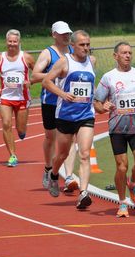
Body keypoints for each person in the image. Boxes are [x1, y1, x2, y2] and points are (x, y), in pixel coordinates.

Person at [94, 42, 135, 217]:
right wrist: (103, 106)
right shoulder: (108, 78)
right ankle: (123, 203)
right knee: (122, 167)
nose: (128, 55)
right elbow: (97, 103)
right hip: (117, 129)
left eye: (130, 52)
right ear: (116, 56)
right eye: (124, 53)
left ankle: (133, 182)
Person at [41, 30, 97, 210]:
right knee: (62, 154)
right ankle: (55, 174)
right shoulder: (65, 62)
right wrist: (63, 94)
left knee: (85, 154)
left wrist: (98, 100)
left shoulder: (92, 61)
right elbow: (46, 82)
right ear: (73, 46)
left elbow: (90, 85)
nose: (86, 48)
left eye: (88, 44)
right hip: (65, 115)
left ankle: (83, 193)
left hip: (86, 115)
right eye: (82, 45)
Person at [31, 21, 79, 192]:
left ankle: (69, 177)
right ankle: (48, 168)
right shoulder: (48, 53)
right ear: (54, 35)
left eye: (68, 33)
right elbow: (34, 76)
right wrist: (57, 73)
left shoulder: (75, 51)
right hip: (50, 102)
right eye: (62, 33)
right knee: (51, 138)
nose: (66, 36)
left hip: (68, 102)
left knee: (70, 139)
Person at [0, 29, 35, 167]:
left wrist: (30, 81)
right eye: (10, 41)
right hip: (6, 97)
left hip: (22, 98)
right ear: (6, 42)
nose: (12, 44)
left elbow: (38, 72)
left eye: (15, 41)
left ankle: (22, 131)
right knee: (6, 124)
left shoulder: (26, 57)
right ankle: (13, 155)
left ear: (19, 42)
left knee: (21, 130)